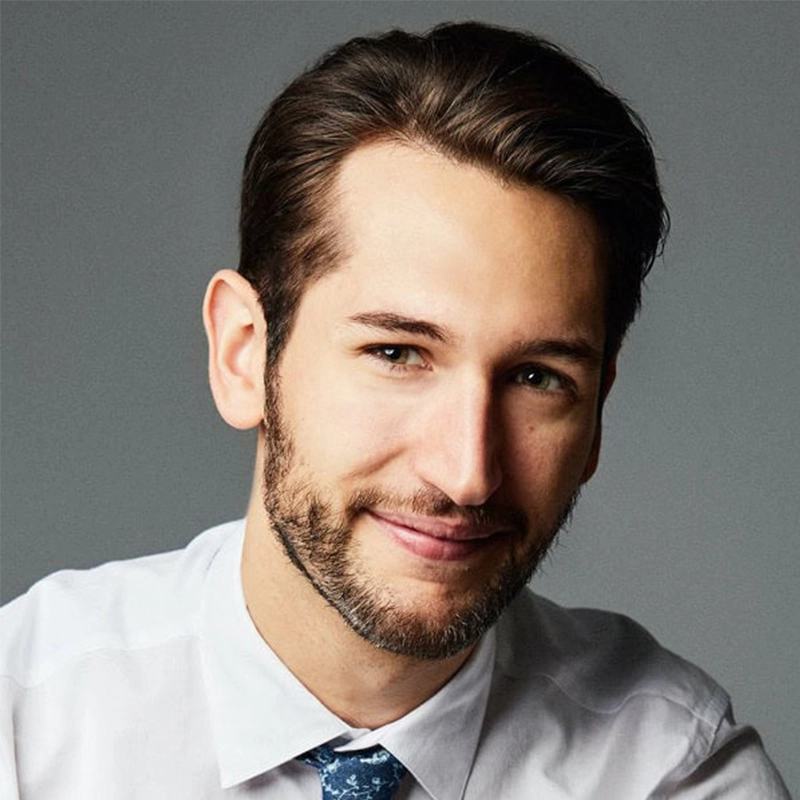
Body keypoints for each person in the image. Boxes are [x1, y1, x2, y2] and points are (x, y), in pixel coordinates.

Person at [0, 21, 790, 799]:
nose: (467, 473)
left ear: (597, 418)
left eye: (537, 378)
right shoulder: (25, 725)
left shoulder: (670, 774)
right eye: (398, 354)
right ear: (243, 352)